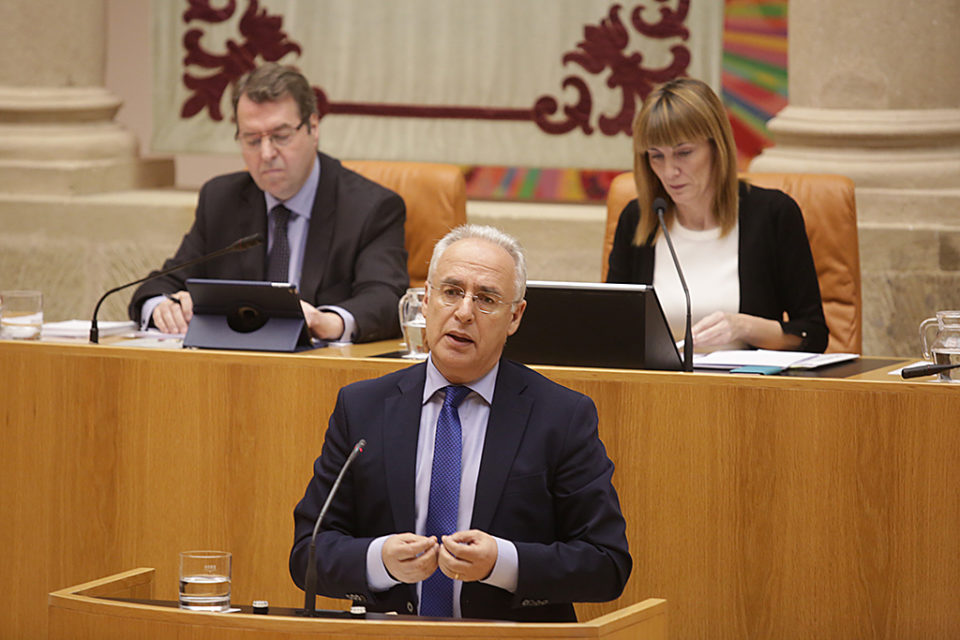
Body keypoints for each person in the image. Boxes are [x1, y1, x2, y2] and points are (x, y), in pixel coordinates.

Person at [290, 224, 631, 621]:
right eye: (451, 292)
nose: (464, 312)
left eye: (486, 299)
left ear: (515, 317)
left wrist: (502, 563)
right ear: (428, 299)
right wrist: (379, 561)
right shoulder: (363, 407)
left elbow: (607, 564)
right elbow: (307, 553)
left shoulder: (560, 416)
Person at [128, 63, 408, 343]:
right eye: (252, 140)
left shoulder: (370, 207)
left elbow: (386, 298)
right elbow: (164, 282)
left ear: (313, 127)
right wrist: (162, 307)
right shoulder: (221, 199)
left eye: (281, 136)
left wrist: (327, 321)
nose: (266, 153)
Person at [607, 77, 828, 352]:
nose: (669, 171)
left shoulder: (773, 214)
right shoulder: (639, 218)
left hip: (743, 389)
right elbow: (611, 327)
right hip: (657, 389)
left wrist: (742, 327)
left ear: (717, 147)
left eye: (684, 153)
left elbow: (813, 334)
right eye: (656, 156)